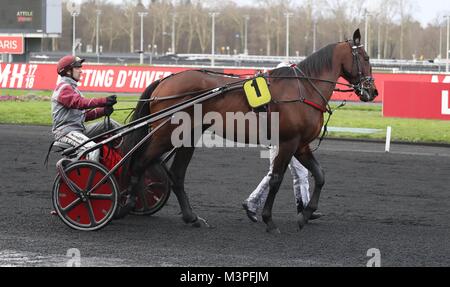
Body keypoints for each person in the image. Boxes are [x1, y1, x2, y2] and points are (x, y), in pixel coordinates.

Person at [242, 62, 322, 223]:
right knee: (277, 173)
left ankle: (304, 206)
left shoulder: (283, 93)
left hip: (284, 138)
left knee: (300, 173)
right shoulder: (278, 93)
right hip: (282, 140)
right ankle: (252, 202)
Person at [51, 55, 120, 161]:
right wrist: (103, 101)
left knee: (109, 124)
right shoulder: (63, 88)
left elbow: (83, 115)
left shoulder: (73, 89)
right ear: (69, 71)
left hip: (79, 130)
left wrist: (103, 111)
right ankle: (93, 176)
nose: (81, 71)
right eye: (77, 67)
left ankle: (132, 139)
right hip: (66, 133)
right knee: (93, 149)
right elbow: (80, 103)